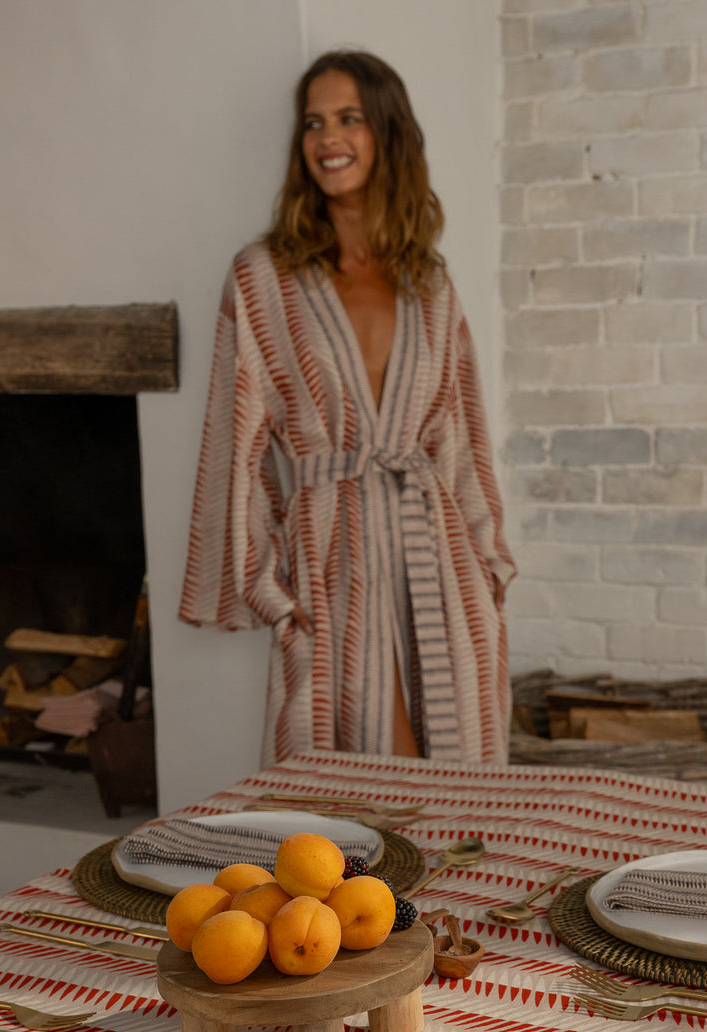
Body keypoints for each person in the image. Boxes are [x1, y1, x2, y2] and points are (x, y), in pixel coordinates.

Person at [178, 49, 516, 764]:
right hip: (333, 559)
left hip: (439, 558)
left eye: (349, 119)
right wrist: (265, 585)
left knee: (455, 777)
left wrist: (486, 569)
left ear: (386, 133)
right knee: (363, 784)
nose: (328, 139)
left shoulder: (429, 281)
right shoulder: (263, 278)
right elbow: (236, 444)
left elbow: (460, 434)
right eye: (313, 123)